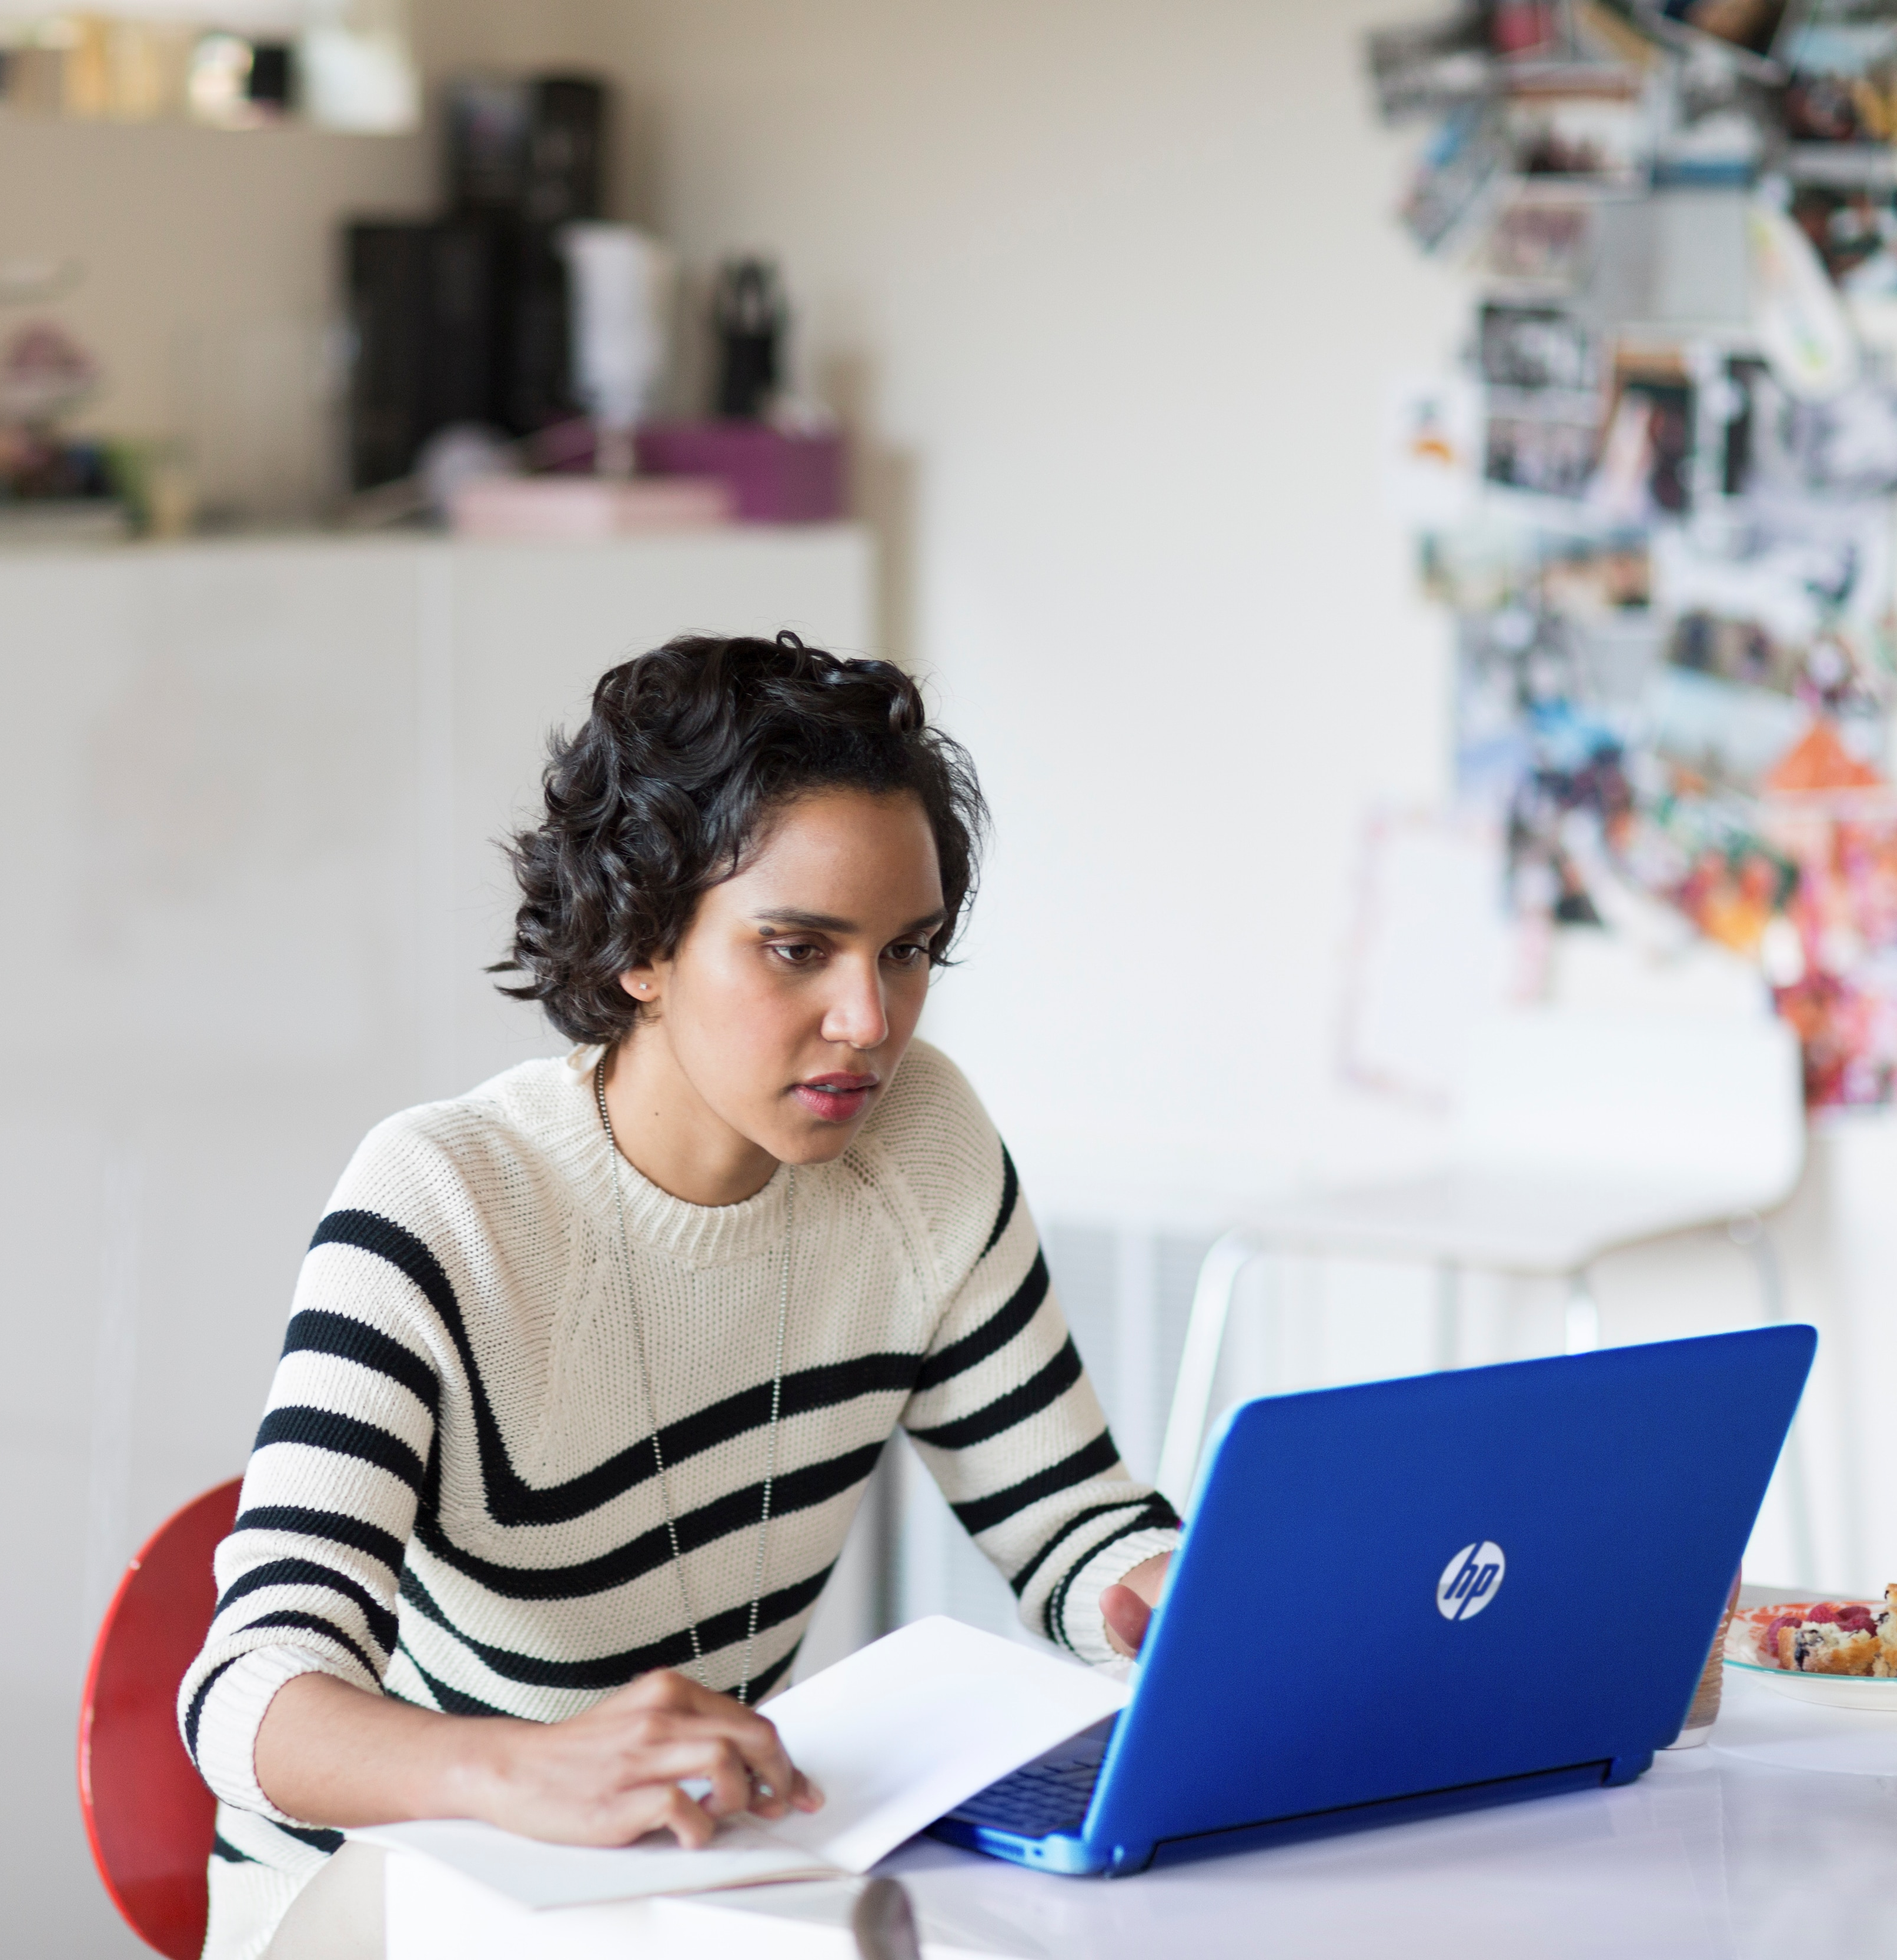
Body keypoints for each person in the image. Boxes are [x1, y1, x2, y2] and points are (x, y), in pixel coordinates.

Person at [179, 635, 1181, 1956]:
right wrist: (519, 1769)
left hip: (685, 1884)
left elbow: (1069, 1529)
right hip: (394, 1904)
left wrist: (1185, 1603)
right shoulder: (448, 1199)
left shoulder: (922, 1145)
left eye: (907, 950)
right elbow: (247, 1688)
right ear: (640, 942)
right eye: (797, 948)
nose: (870, 1020)